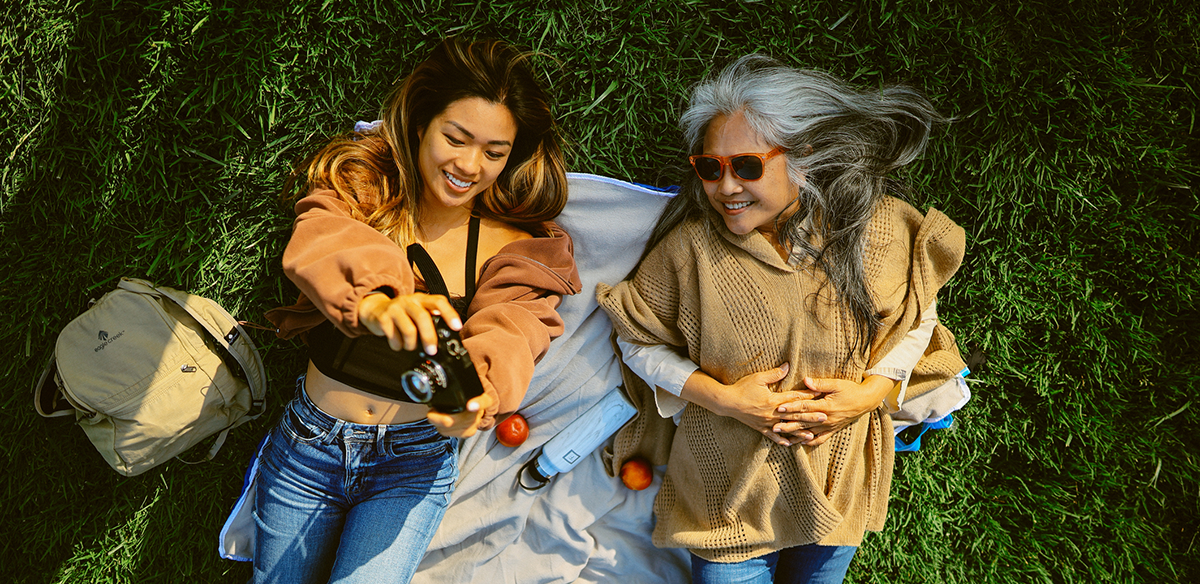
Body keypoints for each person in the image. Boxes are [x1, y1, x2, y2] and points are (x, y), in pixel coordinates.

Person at [597, 55, 967, 584]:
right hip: (725, 500)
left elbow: (916, 317)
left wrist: (872, 392)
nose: (726, 187)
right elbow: (637, 342)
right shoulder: (689, 253)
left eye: (747, 166)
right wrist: (722, 398)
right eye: (710, 168)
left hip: (836, 485)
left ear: (803, 157)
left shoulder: (877, 230)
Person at [254, 37, 580, 584]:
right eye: (456, 138)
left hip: (412, 463)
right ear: (422, 123)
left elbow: (514, 328)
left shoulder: (516, 248)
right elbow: (327, 240)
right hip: (309, 447)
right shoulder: (363, 193)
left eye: (495, 153)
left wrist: (479, 394)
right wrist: (378, 306)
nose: (469, 165)